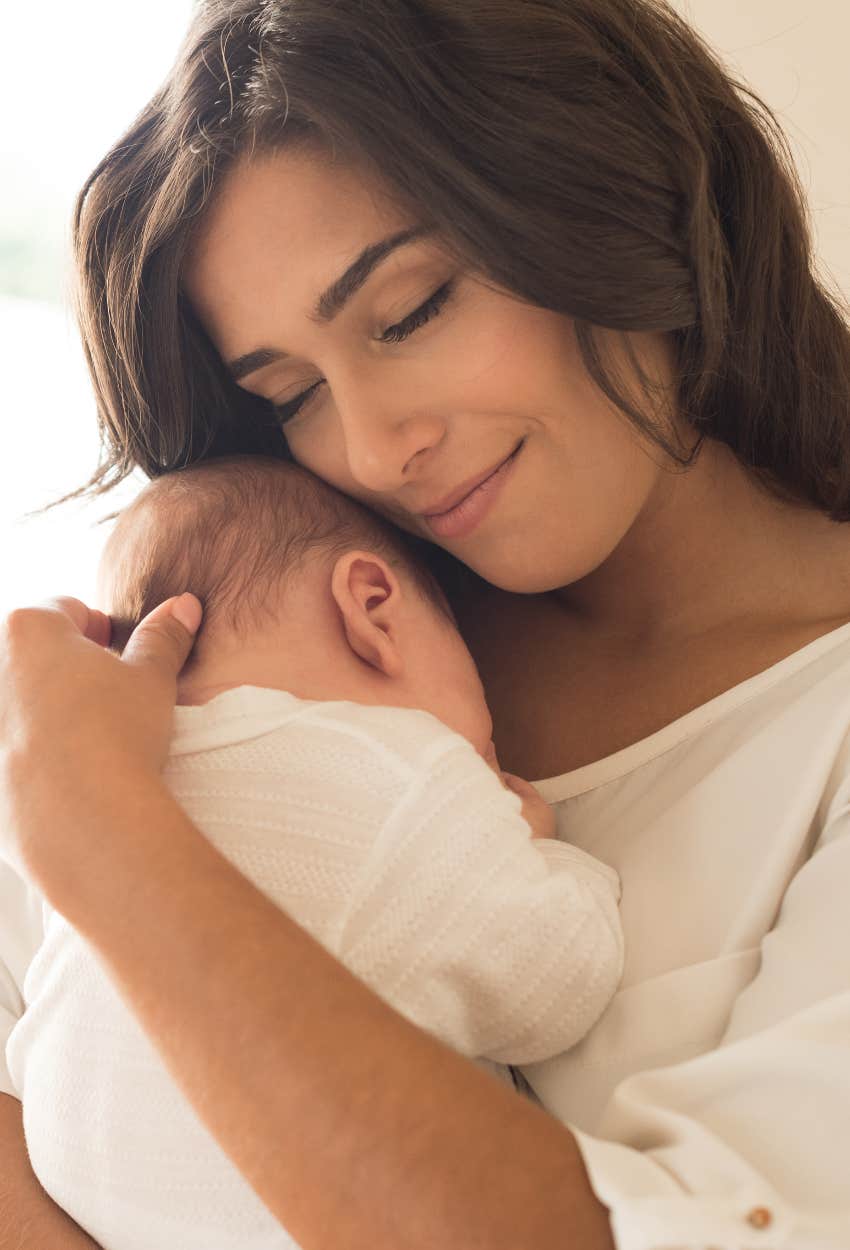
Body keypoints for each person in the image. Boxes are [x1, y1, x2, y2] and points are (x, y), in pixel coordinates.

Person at [1, 0, 849, 1247]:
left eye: (407, 312)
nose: (373, 448)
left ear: (611, 193)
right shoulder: (277, 640)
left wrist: (113, 843)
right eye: (289, 395)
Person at [4, 454, 623, 1250]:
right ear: (373, 609)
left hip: (81, 1198)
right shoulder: (402, 773)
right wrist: (548, 854)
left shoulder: (98, 781)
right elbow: (556, 987)